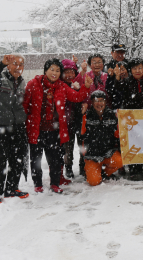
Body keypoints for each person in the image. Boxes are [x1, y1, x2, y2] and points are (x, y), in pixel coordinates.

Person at [24, 58, 93, 193]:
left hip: (54, 130)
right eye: (52, 69)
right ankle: (37, 184)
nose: (54, 73)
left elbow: (77, 97)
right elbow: (25, 105)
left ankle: (55, 183)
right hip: (36, 130)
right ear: (45, 70)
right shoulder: (33, 84)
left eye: (57, 70)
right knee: (35, 159)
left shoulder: (62, 86)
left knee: (55, 159)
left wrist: (86, 87)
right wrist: (25, 124)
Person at [113, 58, 143, 181]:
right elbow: (116, 89)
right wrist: (116, 77)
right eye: (134, 68)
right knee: (133, 145)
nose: (137, 71)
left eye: (140, 68)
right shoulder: (126, 82)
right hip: (131, 121)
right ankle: (134, 169)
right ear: (130, 70)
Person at [0, 54, 29, 201]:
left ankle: (11, 189)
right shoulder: (2, 78)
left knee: (18, 158)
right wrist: (1, 63)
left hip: (18, 126)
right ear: (8, 65)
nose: (18, 67)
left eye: (21, 64)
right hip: (2, 126)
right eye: (14, 63)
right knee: (1, 160)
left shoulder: (23, 82)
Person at [81, 91, 123, 186]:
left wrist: (120, 119)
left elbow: (117, 135)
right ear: (92, 102)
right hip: (92, 154)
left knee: (120, 161)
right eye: (96, 101)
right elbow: (81, 133)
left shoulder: (112, 115)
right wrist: (81, 116)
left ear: (105, 102)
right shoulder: (87, 115)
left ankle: (104, 174)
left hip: (108, 152)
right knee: (94, 182)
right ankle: (91, 171)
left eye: (101, 100)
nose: (99, 103)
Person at [61, 59, 84, 178]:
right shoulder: (60, 85)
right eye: (67, 72)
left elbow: (84, 97)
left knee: (82, 144)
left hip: (79, 119)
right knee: (68, 146)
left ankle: (83, 166)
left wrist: (78, 89)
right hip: (66, 121)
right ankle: (68, 167)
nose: (70, 75)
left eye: (72, 72)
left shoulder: (78, 83)